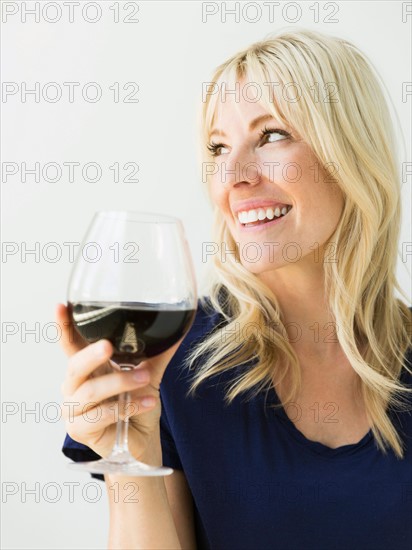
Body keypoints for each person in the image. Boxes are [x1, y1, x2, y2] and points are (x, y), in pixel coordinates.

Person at [57, 28, 412, 549]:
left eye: (271, 136)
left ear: (350, 154)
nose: (233, 176)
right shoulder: (172, 361)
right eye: (219, 148)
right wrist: (127, 459)